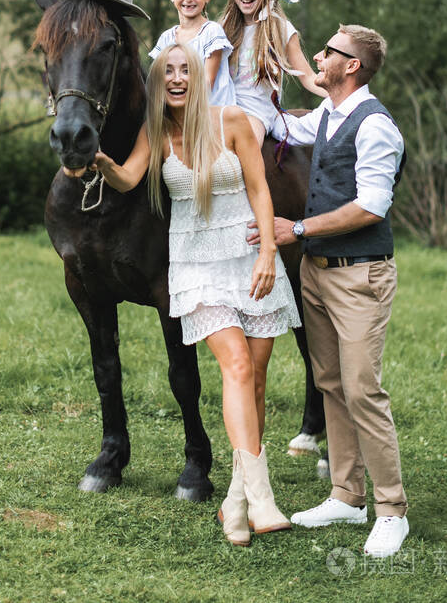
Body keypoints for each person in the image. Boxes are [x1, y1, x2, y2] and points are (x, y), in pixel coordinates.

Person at [91, 41, 301, 546]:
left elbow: (259, 190)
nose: (179, 78)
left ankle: (235, 501)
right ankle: (263, 496)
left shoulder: (232, 121)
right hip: (196, 262)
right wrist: (94, 158)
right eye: (169, 72)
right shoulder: (156, 133)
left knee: (255, 380)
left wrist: (270, 253)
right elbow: (126, 178)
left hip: (250, 256)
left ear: (200, 78)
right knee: (236, 366)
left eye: (187, 70)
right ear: (159, 83)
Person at [247, 24, 409, 558]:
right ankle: (346, 494)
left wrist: (296, 230)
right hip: (316, 274)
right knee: (332, 384)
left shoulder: (375, 125)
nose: (319, 56)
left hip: (360, 274)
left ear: (352, 65)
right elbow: (282, 128)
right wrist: (253, 77)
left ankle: (391, 511)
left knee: (363, 390)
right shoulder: (329, 115)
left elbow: (371, 206)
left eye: (328, 52)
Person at [220, 0, 325, 146]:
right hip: (223, 107)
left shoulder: (281, 29)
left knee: (243, 150)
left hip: (255, 112)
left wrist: (342, 95)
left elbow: (308, 77)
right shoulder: (224, 27)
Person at [149, 0, 235, 105]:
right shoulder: (166, 38)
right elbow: (157, 80)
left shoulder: (212, 32)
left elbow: (208, 82)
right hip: (178, 110)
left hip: (209, 111)